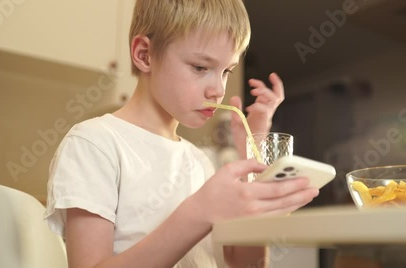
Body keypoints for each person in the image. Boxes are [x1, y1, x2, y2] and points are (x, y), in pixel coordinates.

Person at [44, 0, 320, 267]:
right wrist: (200, 212)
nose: (218, 90)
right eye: (201, 67)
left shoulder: (200, 162)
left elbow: (244, 265)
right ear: (144, 54)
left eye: (226, 71)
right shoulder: (94, 144)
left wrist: (255, 168)